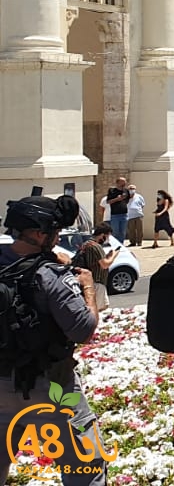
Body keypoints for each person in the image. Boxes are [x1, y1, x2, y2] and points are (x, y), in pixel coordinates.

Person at [0, 194, 107, 486]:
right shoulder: (51, 274)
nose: (57, 238)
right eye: (55, 232)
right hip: (50, 388)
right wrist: (88, 289)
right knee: (85, 466)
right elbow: (83, 330)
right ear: (39, 233)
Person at [72, 224, 116, 312]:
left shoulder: (87, 244)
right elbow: (104, 264)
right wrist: (114, 255)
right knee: (97, 309)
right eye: (107, 236)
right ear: (102, 235)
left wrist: (107, 256)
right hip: (97, 281)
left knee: (104, 306)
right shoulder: (96, 246)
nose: (108, 239)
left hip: (94, 281)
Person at [104, 176, 130, 243]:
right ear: (118, 183)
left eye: (125, 181)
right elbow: (108, 201)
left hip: (124, 214)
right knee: (115, 232)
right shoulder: (112, 191)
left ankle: (121, 245)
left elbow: (127, 200)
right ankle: (115, 245)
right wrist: (117, 199)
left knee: (123, 232)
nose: (125, 183)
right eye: (123, 182)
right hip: (115, 215)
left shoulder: (126, 191)